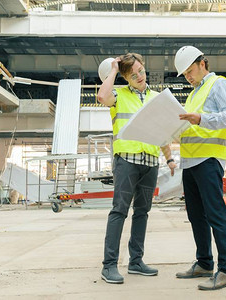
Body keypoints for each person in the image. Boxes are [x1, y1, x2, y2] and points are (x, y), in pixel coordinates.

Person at [97, 53, 177, 284]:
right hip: (127, 161)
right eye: (133, 75)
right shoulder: (117, 95)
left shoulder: (155, 97)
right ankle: (109, 265)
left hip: (150, 162)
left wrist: (169, 159)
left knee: (142, 212)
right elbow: (102, 96)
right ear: (125, 78)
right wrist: (113, 69)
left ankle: (136, 262)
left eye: (141, 71)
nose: (140, 77)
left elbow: (162, 133)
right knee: (119, 211)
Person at [173, 46, 226, 290]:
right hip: (190, 162)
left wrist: (201, 119)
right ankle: (204, 263)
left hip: (209, 159)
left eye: (190, 71)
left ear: (203, 63)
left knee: (215, 214)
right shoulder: (193, 94)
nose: (188, 77)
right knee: (195, 216)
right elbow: (191, 126)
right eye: (185, 74)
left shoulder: (218, 84)